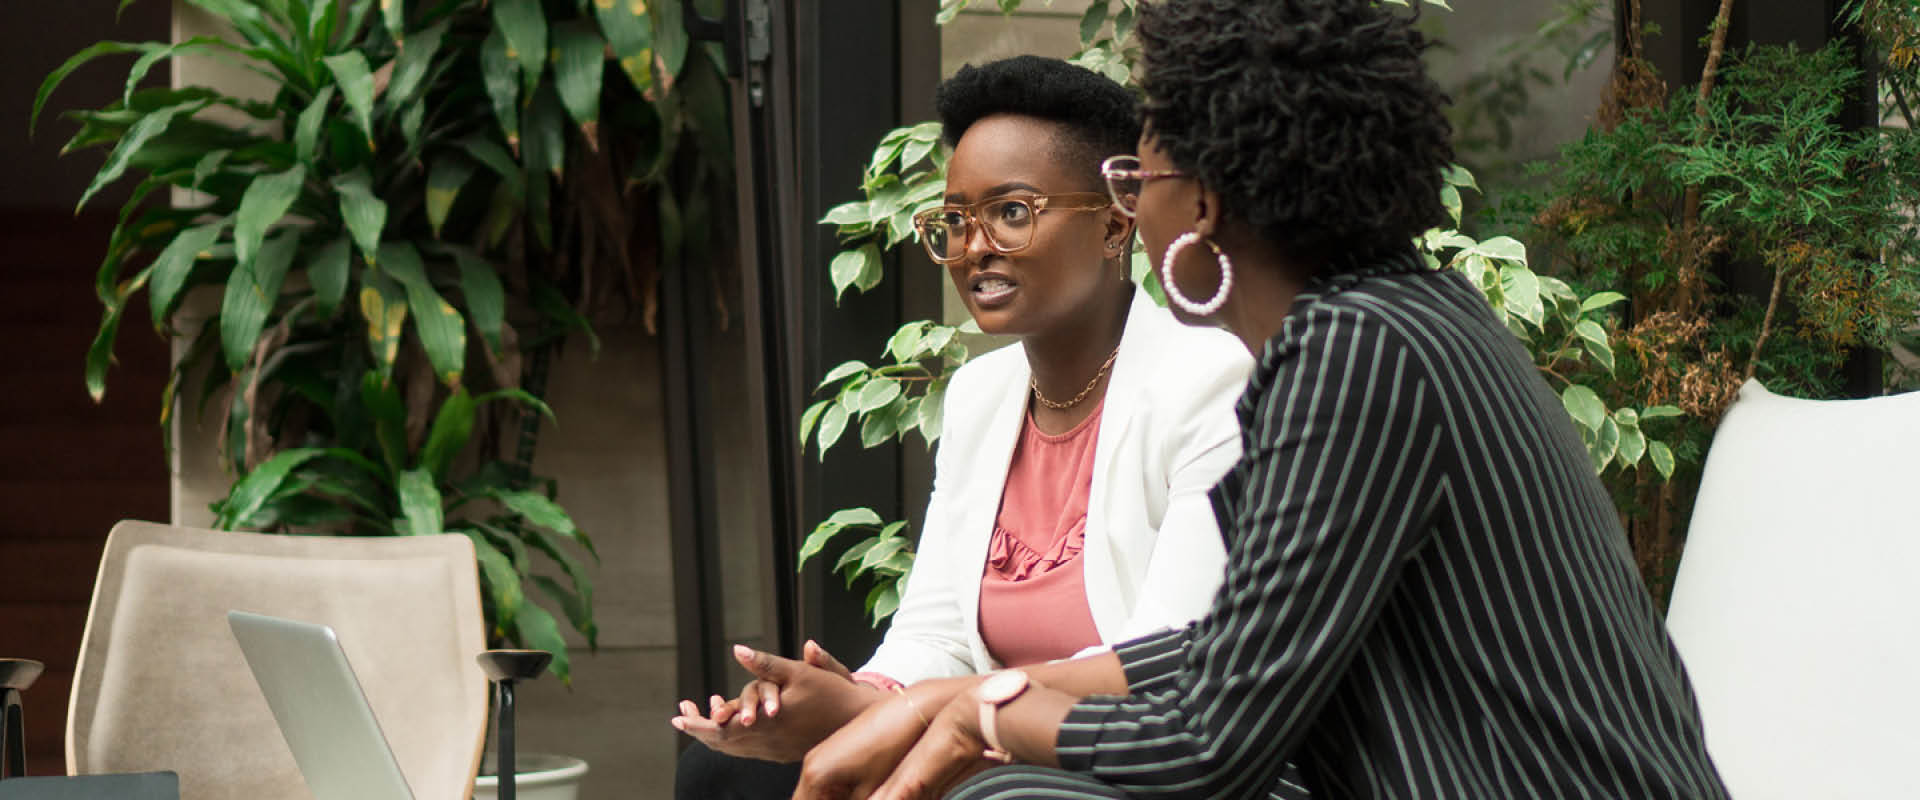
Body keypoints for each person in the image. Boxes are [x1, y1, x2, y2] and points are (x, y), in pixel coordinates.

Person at [787, 2, 1734, 798]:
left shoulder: (1359, 353)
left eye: (1137, 176)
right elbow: (1229, 647)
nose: (1131, 201)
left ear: (1198, 206)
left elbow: (1212, 740)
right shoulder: (1396, 322)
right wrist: (941, 699)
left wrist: (982, 713)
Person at [670, 55, 1256, 800]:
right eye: (954, 220)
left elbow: (1166, 657)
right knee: (724, 771)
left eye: (1011, 212)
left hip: (1123, 754)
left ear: (1115, 225)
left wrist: (919, 712)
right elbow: (939, 631)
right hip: (980, 733)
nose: (973, 247)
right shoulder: (984, 394)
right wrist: (850, 698)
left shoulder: (1210, 380)